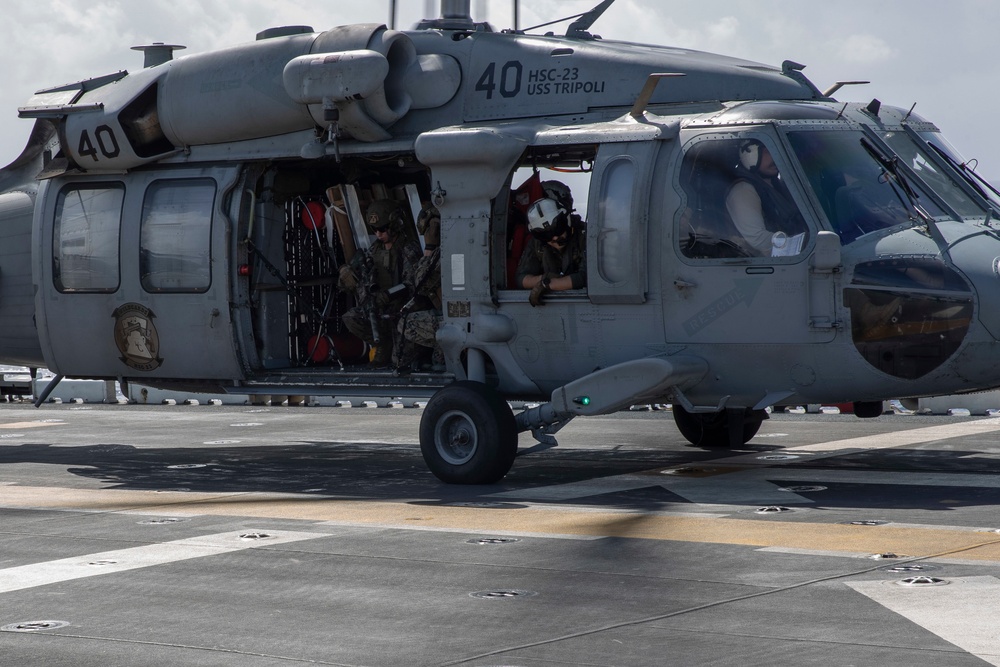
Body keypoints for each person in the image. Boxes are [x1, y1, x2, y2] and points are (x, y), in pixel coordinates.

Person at [338, 199, 422, 366]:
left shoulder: (408, 249)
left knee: (400, 363)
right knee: (351, 317)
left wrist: (386, 296)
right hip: (380, 311)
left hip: (403, 312)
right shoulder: (373, 251)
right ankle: (382, 343)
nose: (378, 234)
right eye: (374, 229)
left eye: (382, 229)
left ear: (394, 225)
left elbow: (412, 285)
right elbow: (346, 283)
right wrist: (345, 274)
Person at [725, 140, 807, 256]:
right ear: (750, 154)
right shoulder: (743, 190)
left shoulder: (776, 184)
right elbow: (757, 239)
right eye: (768, 152)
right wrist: (800, 245)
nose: (775, 157)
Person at [515, 180, 586, 307]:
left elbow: (586, 277)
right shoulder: (537, 244)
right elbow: (521, 279)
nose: (554, 237)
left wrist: (547, 284)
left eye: (558, 228)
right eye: (545, 235)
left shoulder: (585, 237)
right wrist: (544, 278)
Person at [395, 204, 444, 372]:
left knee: (405, 323)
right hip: (455, 316)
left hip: (454, 320)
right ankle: (440, 360)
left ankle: (443, 360)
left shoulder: (441, 252)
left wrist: (429, 247)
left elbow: (421, 282)